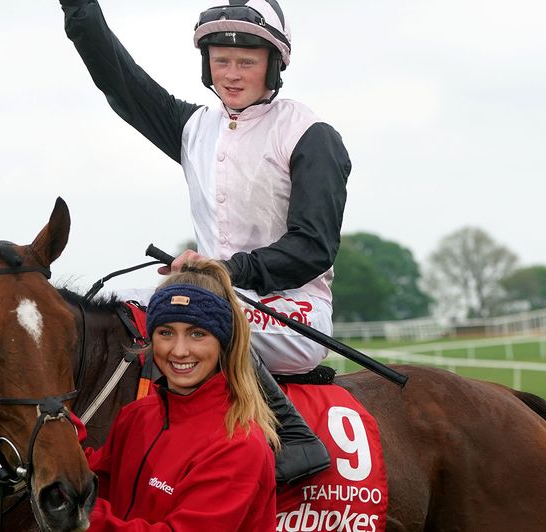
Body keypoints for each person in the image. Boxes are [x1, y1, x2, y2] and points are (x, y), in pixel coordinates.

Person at [60, 0, 351, 482]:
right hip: (211, 295)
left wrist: (223, 271)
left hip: (293, 310)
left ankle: (295, 438)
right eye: (221, 61)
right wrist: (80, 9)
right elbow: (120, 80)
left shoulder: (310, 133)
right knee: (104, 309)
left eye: (246, 62)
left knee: (194, 319)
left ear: (273, 65)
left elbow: (312, 248)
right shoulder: (195, 127)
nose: (231, 75)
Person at [85, 260, 278, 530]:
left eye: (197, 334)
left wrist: (80, 517)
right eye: (166, 333)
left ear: (223, 342)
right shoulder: (135, 416)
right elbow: (89, 479)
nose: (179, 350)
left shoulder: (238, 444)